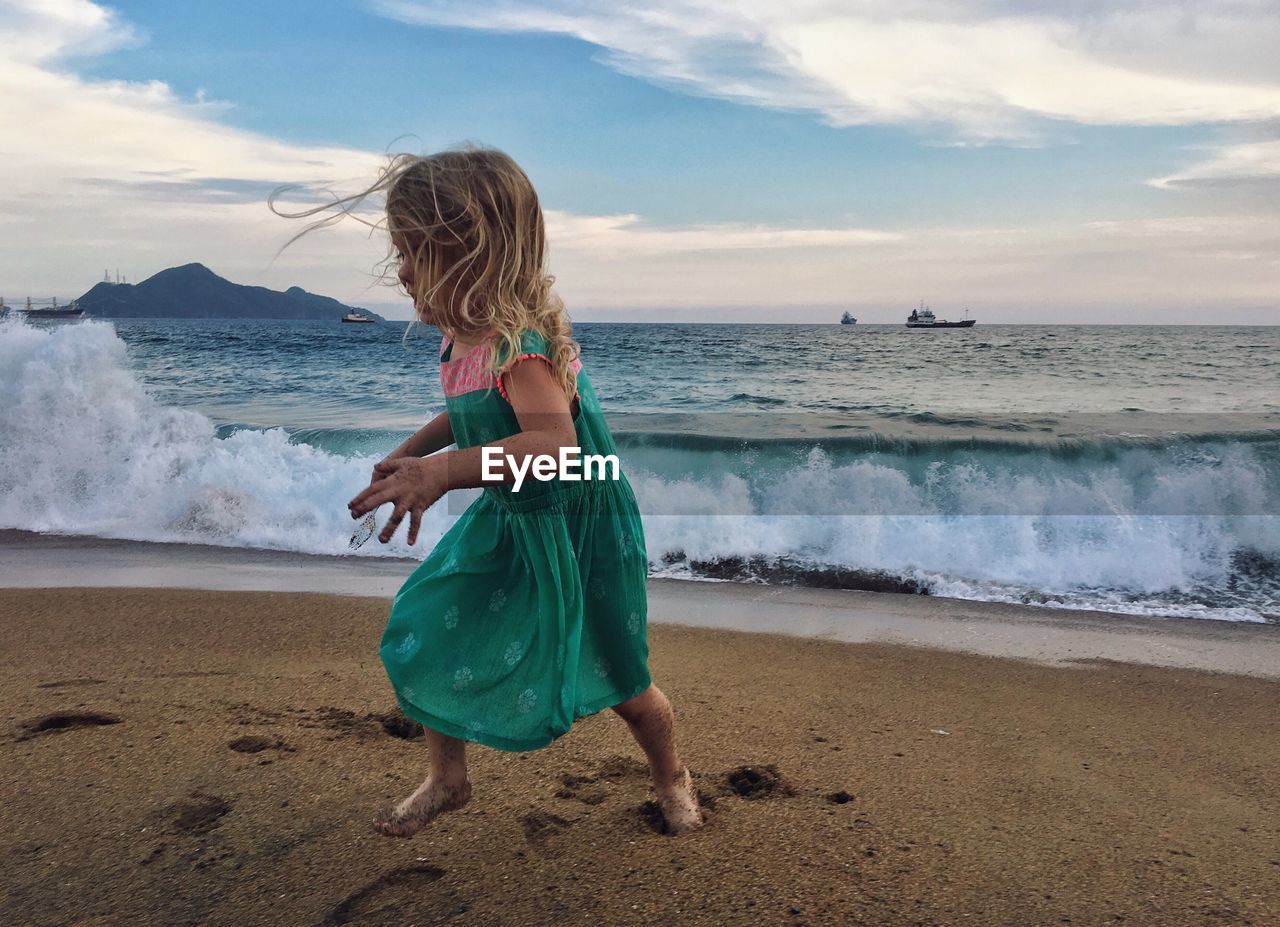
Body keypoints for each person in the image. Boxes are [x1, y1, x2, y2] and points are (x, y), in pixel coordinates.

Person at [336, 145, 703, 837]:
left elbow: (555, 447)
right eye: (401, 253)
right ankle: (447, 777)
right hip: (512, 514)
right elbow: (467, 409)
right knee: (425, 624)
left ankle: (670, 775)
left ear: (472, 254)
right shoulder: (460, 342)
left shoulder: (520, 345)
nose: (403, 273)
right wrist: (411, 454)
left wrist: (442, 474)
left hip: (577, 520)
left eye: (416, 253)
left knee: (623, 676)